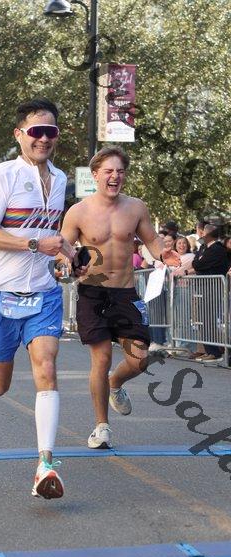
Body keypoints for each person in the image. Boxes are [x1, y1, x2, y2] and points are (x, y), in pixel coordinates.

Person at [0, 98, 73, 499]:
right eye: (35, 131)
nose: (43, 139)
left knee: (47, 366)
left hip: (42, 293)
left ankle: (45, 464)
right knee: (1, 383)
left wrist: (65, 252)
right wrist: (36, 244)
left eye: (50, 131)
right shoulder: (3, 174)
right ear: (20, 135)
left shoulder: (59, 179)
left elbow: (49, 234)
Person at [60, 145, 180, 449]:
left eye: (120, 171)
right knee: (101, 359)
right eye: (109, 171)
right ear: (95, 174)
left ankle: (116, 383)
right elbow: (63, 250)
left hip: (126, 294)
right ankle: (102, 427)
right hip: (93, 294)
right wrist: (68, 264)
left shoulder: (136, 207)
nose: (115, 176)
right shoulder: (78, 212)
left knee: (139, 360)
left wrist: (162, 254)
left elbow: (151, 240)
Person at [192, 224, 229, 362]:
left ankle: (214, 352)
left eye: (203, 233)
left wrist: (199, 263)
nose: (201, 235)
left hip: (213, 287)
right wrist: (199, 263)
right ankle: (209, 350)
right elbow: (196, 263)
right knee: (203, 319)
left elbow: (199, 264)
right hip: (203, 287)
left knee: (209, 319)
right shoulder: (203, 248)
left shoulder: (218, 249)